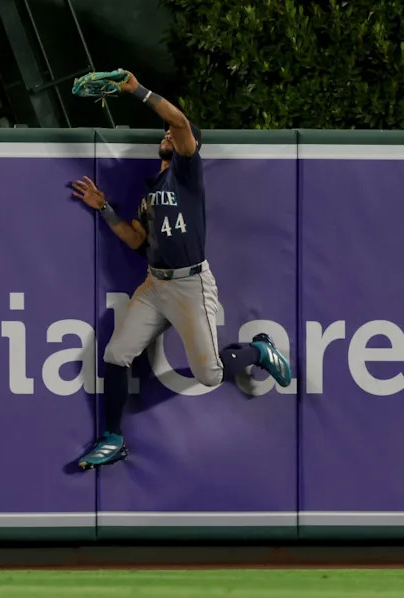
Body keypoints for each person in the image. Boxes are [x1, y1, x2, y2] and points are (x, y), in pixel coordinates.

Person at [69, 71, 292, 470]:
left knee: (209, 375)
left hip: (190, 283)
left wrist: (136, 90)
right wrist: (104, 208)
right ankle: (114, 438)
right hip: (155, 284)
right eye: (169, 135)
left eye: (175, 135)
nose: (169, 136)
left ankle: (258, 350)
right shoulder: (151, 190)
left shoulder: (186, 172)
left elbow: (179, 122)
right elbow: (137, 241)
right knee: (117, 354)